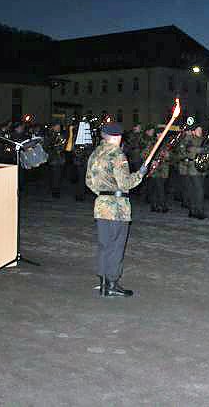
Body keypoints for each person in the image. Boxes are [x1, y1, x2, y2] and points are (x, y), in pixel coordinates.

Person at [85, 123, 148, 297]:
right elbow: (125, 183)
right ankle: (112, 283)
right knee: (116, 246)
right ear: (118, 137)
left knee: (105, 245)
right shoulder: (117, 154)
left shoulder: (95, 153)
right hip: (117, 208)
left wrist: (103, 193)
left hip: (101, 205)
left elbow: (89, 181)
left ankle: (104, 283)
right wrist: (140, 174)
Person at [44, 121, 66, 198]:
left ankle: (56, 189)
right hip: (53, 157)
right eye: (57, 126)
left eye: (59, 127)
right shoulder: (49, 135)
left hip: (60, 157)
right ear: (53, 127)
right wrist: (53, 145)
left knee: (58, 175)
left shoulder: (62, 135)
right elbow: (46, 146)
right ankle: (55, 190)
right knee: (54, 175)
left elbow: (63, 145)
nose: (58, 128)